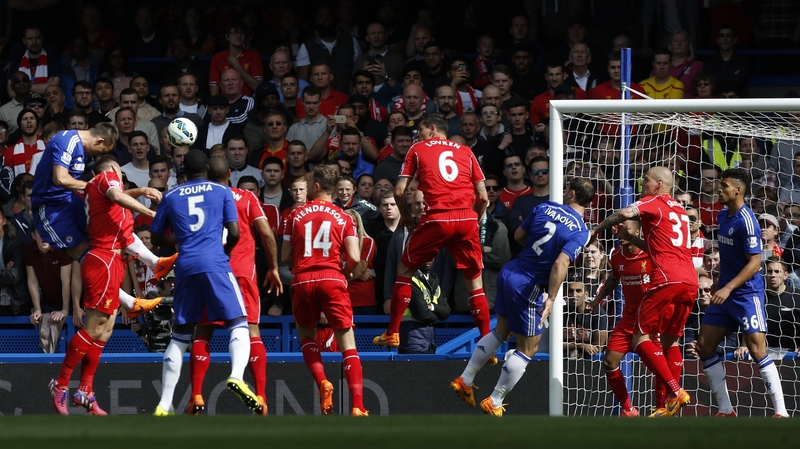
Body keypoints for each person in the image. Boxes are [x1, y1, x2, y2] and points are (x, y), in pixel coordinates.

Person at [451, 177, 594, 416]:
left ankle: (465, 379)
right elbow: (561, 263)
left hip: (510, 271)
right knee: (529, 347)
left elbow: (518, 236)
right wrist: (551, 297)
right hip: (529, 286)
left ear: (570, 193)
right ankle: (494, 401)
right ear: (588, 202)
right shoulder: (580, 230)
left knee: (501, 331)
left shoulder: (544, 207)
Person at [151, 150, 262, 416]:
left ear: (184, 172)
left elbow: (155, 237)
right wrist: (225, 252)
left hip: (186, 266)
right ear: (210, 171)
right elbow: (234, 232)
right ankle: (236, 375)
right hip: (215, 263)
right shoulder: (221, 191)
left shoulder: (171, 195)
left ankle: (164, 405)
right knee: (238, 322)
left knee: (180, 335)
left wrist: (177, 242)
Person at [48, 155, 160, 415]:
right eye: (119, 173)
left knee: (105, 330)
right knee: (93, 327)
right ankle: (61, 383)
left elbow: (117, 195)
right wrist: (153, 213)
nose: (119, 178)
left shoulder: (95, 189)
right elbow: (118, 195)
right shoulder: (107, 176)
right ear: (114, 169)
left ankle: (85, 389)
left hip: (111, 260)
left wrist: (141, 190)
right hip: (103, 260)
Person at [374, 113, 491, 349]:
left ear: (433, 128)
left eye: (420, 130)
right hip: (466, 218)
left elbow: (398, 191)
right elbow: (483, 197)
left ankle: (393, 332)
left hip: (437, 217)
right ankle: (487, 342)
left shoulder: (418, 149)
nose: (418, 135)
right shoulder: (467, 152)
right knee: (474, 283)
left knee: (404, 269)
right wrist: (475, 219)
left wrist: (406, 215)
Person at [591, 166, 696, 417]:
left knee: (642, 339)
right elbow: (655, 245)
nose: (642, 184)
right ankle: (661, 405)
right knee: (670, 342)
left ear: (659, 184)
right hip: (689, 280)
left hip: (666, 280)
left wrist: (595, 230)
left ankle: (674, 391)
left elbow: (624, 211)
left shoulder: (653, 201)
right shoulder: (679, 210)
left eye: (645, 180)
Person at [187, 155, 281, 416]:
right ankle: (261, 397)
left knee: (203, 332)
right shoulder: (246, 197)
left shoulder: (199, 198)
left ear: (206, 173)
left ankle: (196, 394)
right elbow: (266, 232)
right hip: (240, 273)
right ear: (230, 172)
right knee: (251, 331)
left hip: (208, 271)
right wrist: (273, 267)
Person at [695, 169, 789, 418]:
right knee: (705, 346)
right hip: (725, 291)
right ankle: (726, 410)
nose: (719, 189)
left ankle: (781, 412)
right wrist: (719, 283)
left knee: (758, 349)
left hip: (747, 295)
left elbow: (755, 263)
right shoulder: (722, 216)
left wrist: (728, 287)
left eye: (724, 185)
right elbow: (729, 257)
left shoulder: (747, 220)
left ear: (738, 190)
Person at [281, 164, 368, 416]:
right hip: (332, 278)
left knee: (307, 338)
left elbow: (286, 255)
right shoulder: (344, 217)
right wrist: (348, 272)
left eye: (308, 183)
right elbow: (353, 256)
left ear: (316, 187)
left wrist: (302, 261)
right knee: (348, 345)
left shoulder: (294, 216)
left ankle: (323, 382)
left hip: (302, 279)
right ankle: (358, 406)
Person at [586, 219, 651, 417]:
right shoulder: (616, 255)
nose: (620, 232)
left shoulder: (651, 253)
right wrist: (597, 300)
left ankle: (666, 404)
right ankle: (628, 408)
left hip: (651, 318)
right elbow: (613, 279)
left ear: (638, 232)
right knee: (609, 361)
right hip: (629, 318)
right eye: (619, 229)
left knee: (656, 366)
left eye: (626, 229)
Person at [25, 228, 72, 353]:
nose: (44, 236)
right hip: (48, 303)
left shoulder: (61, 248)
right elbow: (32, 281)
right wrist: (37, 309)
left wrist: (65, 310)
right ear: (34, 235)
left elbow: (66, 281)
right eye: (40, 233)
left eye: (47, 232)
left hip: (70, 302)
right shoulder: (29, 250)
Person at [399, 257, 450, 354]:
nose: (428, 260)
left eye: (431, 257)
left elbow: (446, 312)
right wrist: (436, 319)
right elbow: (421, 313)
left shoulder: (434, 281)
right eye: (425, 256)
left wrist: (432, 307)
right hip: (412, 339)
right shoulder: (410, 280)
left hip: (430, 342)